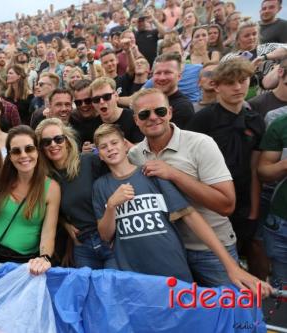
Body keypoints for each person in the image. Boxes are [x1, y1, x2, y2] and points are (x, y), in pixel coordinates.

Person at [92, 123, 270, 293]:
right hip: (133, 270)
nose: (110, 149)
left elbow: (190, 216)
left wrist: (230, 265)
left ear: (125, 145)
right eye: (103, 147)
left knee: (204, 313)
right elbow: (106, 235)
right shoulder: (100, 186)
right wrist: (112, 206)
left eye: (114, 143)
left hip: (171, 265)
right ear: (99, 154)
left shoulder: (151, 174)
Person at [127, 88, 246, 287]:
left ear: (170, 112)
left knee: (234, 312)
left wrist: (174, 174)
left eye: (160, 111)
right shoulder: (135, 155)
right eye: (144, 114)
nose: (153, 118)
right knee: (184, 316)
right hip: (168, 253)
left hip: (211, 251)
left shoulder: (201, 144)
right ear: (136, 120)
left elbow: (226, 205)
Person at [186, 58, 266, 278]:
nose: (238, 87)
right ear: (217, 85)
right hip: (211, 201)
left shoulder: (255, 120)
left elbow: (254, 169)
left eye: (242, 81)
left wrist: (253, 210)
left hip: (244, 201)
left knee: (251, 253)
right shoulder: (203, 119)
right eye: (230, 82)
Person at [35, 118, 115, 269]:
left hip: (111, 241)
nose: (53, 145)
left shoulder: (90, 161)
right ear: (41, 148)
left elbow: (116, 186)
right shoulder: (48, 179)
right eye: (46, 142)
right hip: (83, 245)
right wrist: (66, 225)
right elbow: (52, 212)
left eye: (58, 139)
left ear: (67, 140)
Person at [0, 125, 60, 275]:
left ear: (37, 151)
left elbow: (48, 231)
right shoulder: (0, 179)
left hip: (24, 262)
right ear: (10, 156)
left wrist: (44, 257)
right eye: (16, 151)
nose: (23, 155)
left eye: (29, 149)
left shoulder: (51, 188)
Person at [258, 114, 287, 285]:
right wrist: (284, 165)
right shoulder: (281, 124)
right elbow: (263, 172)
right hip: (282, 222)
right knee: (282, 290)